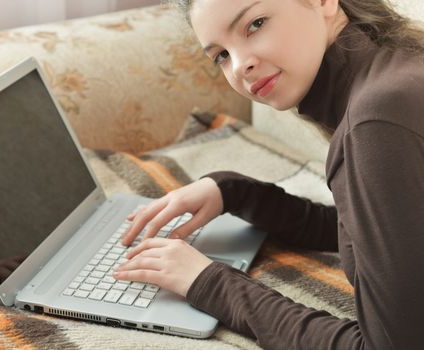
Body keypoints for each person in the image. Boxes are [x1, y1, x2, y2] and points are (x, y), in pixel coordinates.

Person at [113, 0, 424, 348]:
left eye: (255, 24)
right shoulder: (396, 74)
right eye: (221, 55)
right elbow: (380, 239)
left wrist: (207, 282)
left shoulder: (376, 120)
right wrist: (234, 193)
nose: (240, 66)